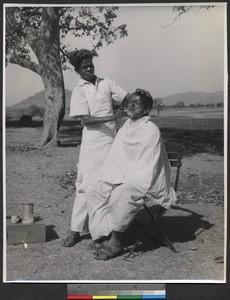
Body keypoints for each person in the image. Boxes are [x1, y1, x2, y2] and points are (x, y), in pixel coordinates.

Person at [84, 91, 177, 260]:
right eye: (130, 102)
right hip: (122, 175)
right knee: (94, 188)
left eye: (137, 103)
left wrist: (124, 179)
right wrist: (115, 176)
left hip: (145, 178)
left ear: (147, 108)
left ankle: (117, 241)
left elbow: (146, 163)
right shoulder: (126, 126)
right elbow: (117, 158)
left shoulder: (151, 129)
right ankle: (103, 233)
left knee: (123, 193)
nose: (131, 105)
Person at [62, 49, 141, 247]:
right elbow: (86, 120)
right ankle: (75, 230)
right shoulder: (80, 90)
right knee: (85, 186)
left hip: (110, 144)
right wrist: (112, 117)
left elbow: (126, 97)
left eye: (91, 65)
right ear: (78, 71)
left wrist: (138, 100)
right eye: (85, 67)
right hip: (91, 146)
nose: (89, 69)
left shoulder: (106, 83)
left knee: (107, 185)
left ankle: (105, 230)